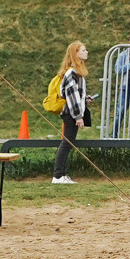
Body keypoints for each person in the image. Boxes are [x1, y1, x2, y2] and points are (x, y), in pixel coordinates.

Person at [52, 40, 89, 185]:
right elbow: (72, 96)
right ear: (76, 54)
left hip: (72, 112)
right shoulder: (72, 73)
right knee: (66, 143)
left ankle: (61, 174)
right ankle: (58, 175)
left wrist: (86, 99)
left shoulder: (77, 73)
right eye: (83, 50)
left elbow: (77, 94)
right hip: (70, 114)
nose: (86, 52)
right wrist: (78, 116)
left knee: (68, 142)